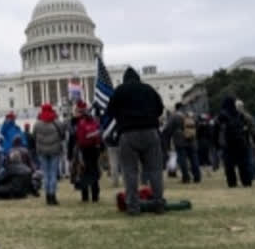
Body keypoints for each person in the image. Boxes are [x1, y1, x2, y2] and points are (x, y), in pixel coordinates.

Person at [105, 67, 165, 215]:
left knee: (130, 171)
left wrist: (123, 118)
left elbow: (110, 111)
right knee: (155, 170)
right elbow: (160, 109)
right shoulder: (148, 89)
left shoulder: (119, 91)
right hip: (150, 131)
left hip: (128, 132)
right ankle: (158, 203)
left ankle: (133, 206)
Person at [216, 96, 252, 188]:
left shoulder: (222, 115)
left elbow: (216, 129)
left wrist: (217, 142)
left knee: (229, 165)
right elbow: (246, 126)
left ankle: (232, 183)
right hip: (240, 141)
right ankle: (246, 182)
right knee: (243, 164)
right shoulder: (239, 114)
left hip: (228, 143)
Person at [33, 103, 65, 205]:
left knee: (46, 175)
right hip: (54, 151)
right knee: (53, 174)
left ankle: (47, 196)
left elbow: (34, 136)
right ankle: (53, 196)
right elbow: (62, 135)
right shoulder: (57, 122)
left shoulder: (37, 124)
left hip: (42, 152)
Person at [164, 103, 201, 183]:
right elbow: (197, 125)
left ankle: (186, 177)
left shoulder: (174, 116)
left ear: (176, 108)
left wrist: (168, 140)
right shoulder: (191, 115)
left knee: (182, 159)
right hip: (191, 139)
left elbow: (168, 129)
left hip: (180, 140)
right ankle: (197, 177)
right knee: (194, 158)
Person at [74, 101, 102, 202]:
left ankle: (85, 195)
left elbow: (80, 139)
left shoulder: (81, 124)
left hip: (84, 149)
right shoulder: (95, 123)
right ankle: (95, 195)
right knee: (94, 171)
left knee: (84, 171)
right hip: (94, 149)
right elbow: (99, 137)